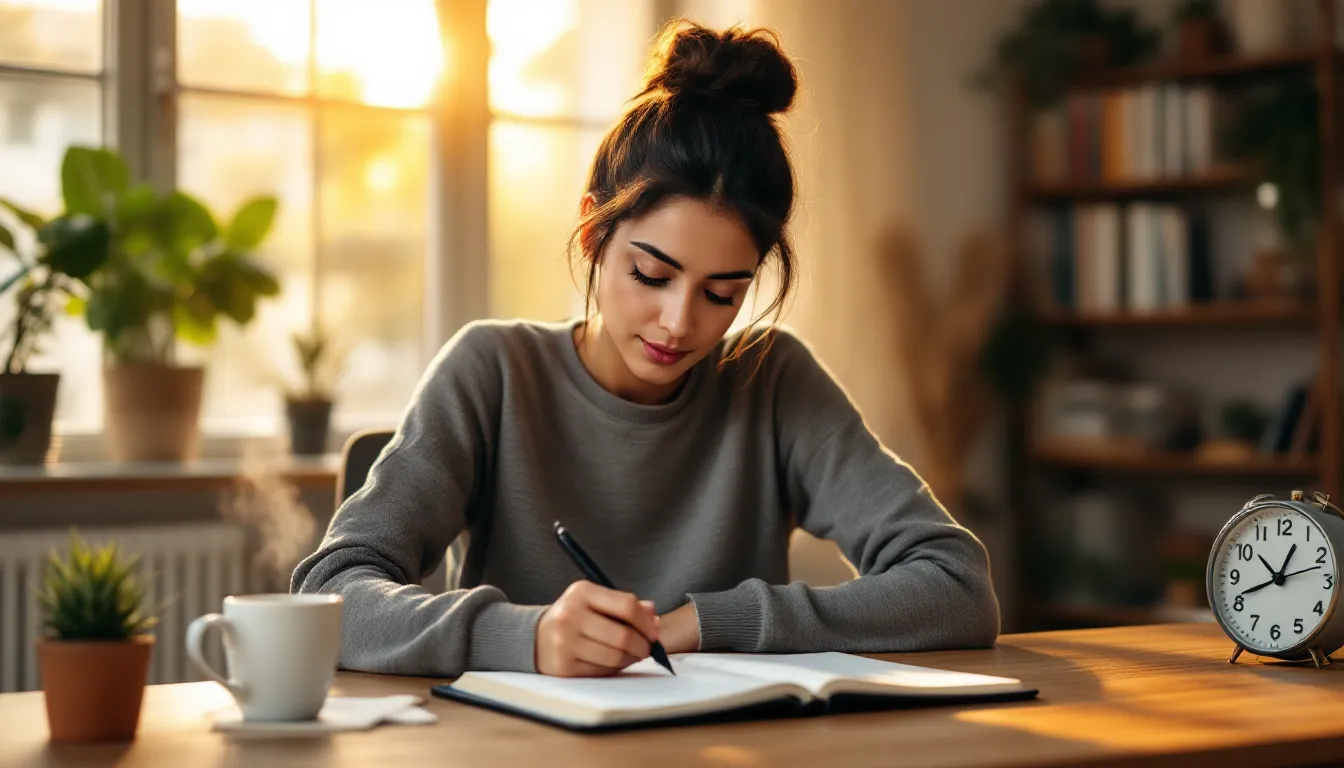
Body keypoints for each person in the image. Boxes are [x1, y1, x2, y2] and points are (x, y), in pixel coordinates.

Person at [291, 19, 1000, 679]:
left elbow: (957, 587)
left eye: (722, 293)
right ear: (594, 233)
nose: (677, 323)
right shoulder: (493, 372)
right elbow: (331, 594)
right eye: (651, 275)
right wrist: (525, 637)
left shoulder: (774, 380)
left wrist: (712, 621)